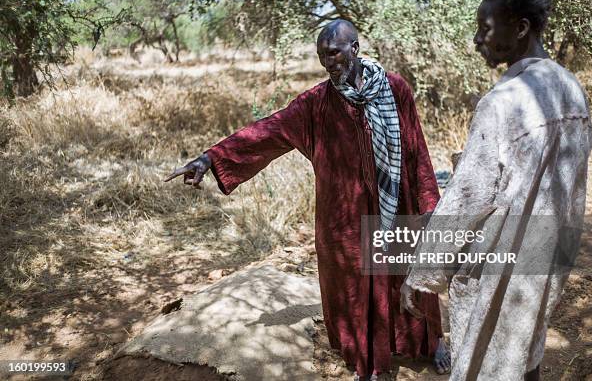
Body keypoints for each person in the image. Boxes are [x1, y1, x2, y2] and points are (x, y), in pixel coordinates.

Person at [165, 19, 450, 379]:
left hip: (398, 199)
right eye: (321, 56)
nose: (328, 62)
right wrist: (210, 158)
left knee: (408, 269)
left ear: (355, 49)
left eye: (333, 53)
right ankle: (370, 359)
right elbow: (269, 130)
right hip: (344, 216)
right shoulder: (317, 103)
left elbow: (417, 150)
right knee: (356, 283)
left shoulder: (396, 89)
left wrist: (429, 203)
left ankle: (431, 341)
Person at [401, 0, 592, 381]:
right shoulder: (571, 89)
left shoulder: (502, 103)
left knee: (485, 356)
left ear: (520, 28)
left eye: (485, 28)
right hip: (548, 252)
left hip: (498, 260)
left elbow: (470, 197)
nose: (477, 40)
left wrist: (423, 272)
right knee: (526, 346)